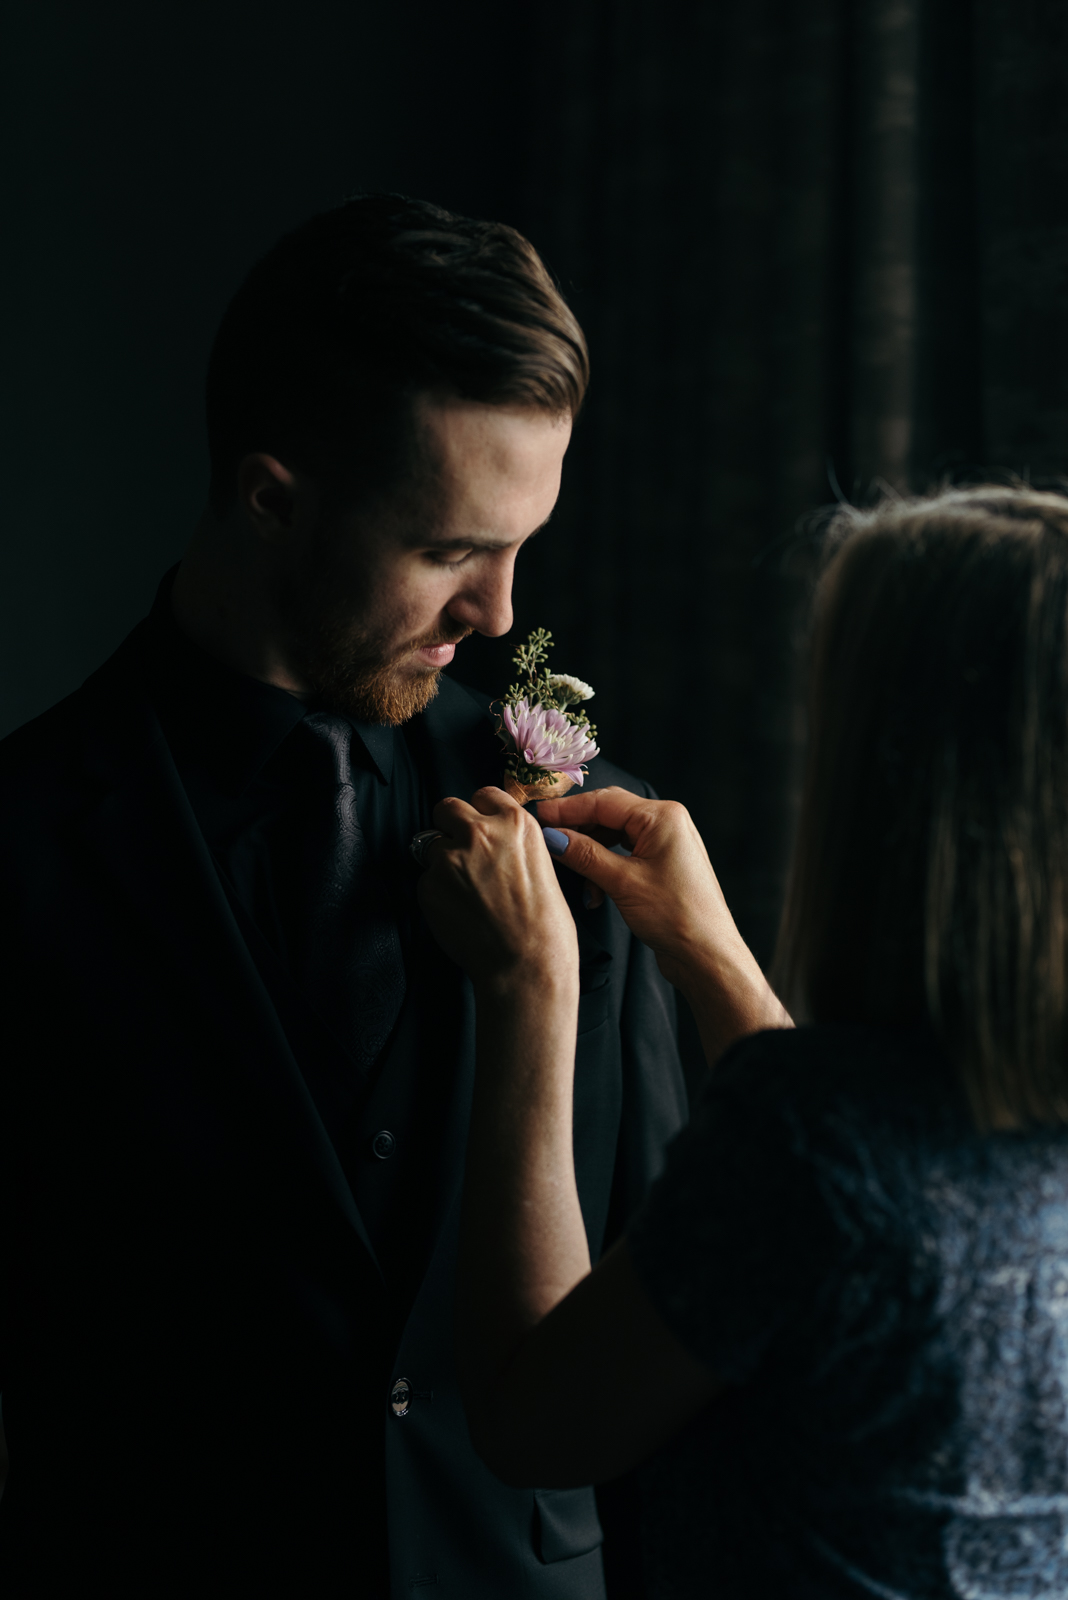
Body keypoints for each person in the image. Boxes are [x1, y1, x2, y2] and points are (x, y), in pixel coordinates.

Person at [0, 195, 706, 1597]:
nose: (502, 615)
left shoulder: (591, 832)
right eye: (451, 553)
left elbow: (667, 1310)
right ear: (273, 498)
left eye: (522, 545)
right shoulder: (24, 844)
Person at [417, 483, 1068, 1597]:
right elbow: (856, 1198)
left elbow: (534, 1422)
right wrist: (712, 956)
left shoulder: (813, 1137)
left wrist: (528, 986)